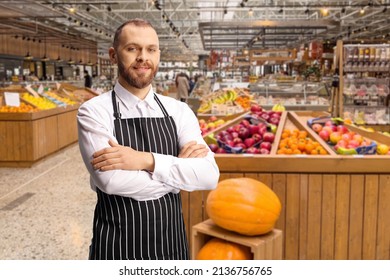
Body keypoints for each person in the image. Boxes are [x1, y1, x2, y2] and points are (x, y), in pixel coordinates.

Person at [77, 18, 220, 260]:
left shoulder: (179, 111)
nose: (143, 57)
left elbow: (208, 176)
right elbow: (111, 181)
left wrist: (146, 160)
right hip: (117, 245)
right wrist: (179, 179)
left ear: (158, 55)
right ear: (114, 55)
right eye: (132, 48)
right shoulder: (93, 111)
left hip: (170, 243)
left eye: (151, 49)